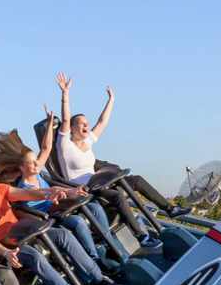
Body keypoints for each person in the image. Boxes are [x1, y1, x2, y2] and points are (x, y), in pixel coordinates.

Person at [55, 73, 186, 248]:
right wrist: (65, 94)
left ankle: (170, 209)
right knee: (117, 196)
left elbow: (102, 123)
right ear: (72, 128)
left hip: (101, 182)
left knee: (136, 180)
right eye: (82, 124)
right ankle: (142, 237)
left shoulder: (88, 141)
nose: (86, 126)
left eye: (87, 123)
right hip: (86, 190)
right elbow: (64, 118)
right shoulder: (64, 145)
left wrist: (112, 100)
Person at [0, 162, 120, 285]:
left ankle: (98, 279)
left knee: (62, 234)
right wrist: (6, 253)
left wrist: (52, 192)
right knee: (34, 255)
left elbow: (29, 193)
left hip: (25, 232)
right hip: (8, 247)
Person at [0, 121, 125, 264]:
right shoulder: (22, 187)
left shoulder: (37, 173)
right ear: (22, 167)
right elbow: (45, 193)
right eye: (32, 163)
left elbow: (46, 148)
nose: (37, 164)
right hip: (49, 216)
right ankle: (94, 258)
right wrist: (66, 193)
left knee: (94, 206)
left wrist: (49, 126)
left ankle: (109, 242)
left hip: (61, 206)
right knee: (78, 221)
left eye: (36, 160)